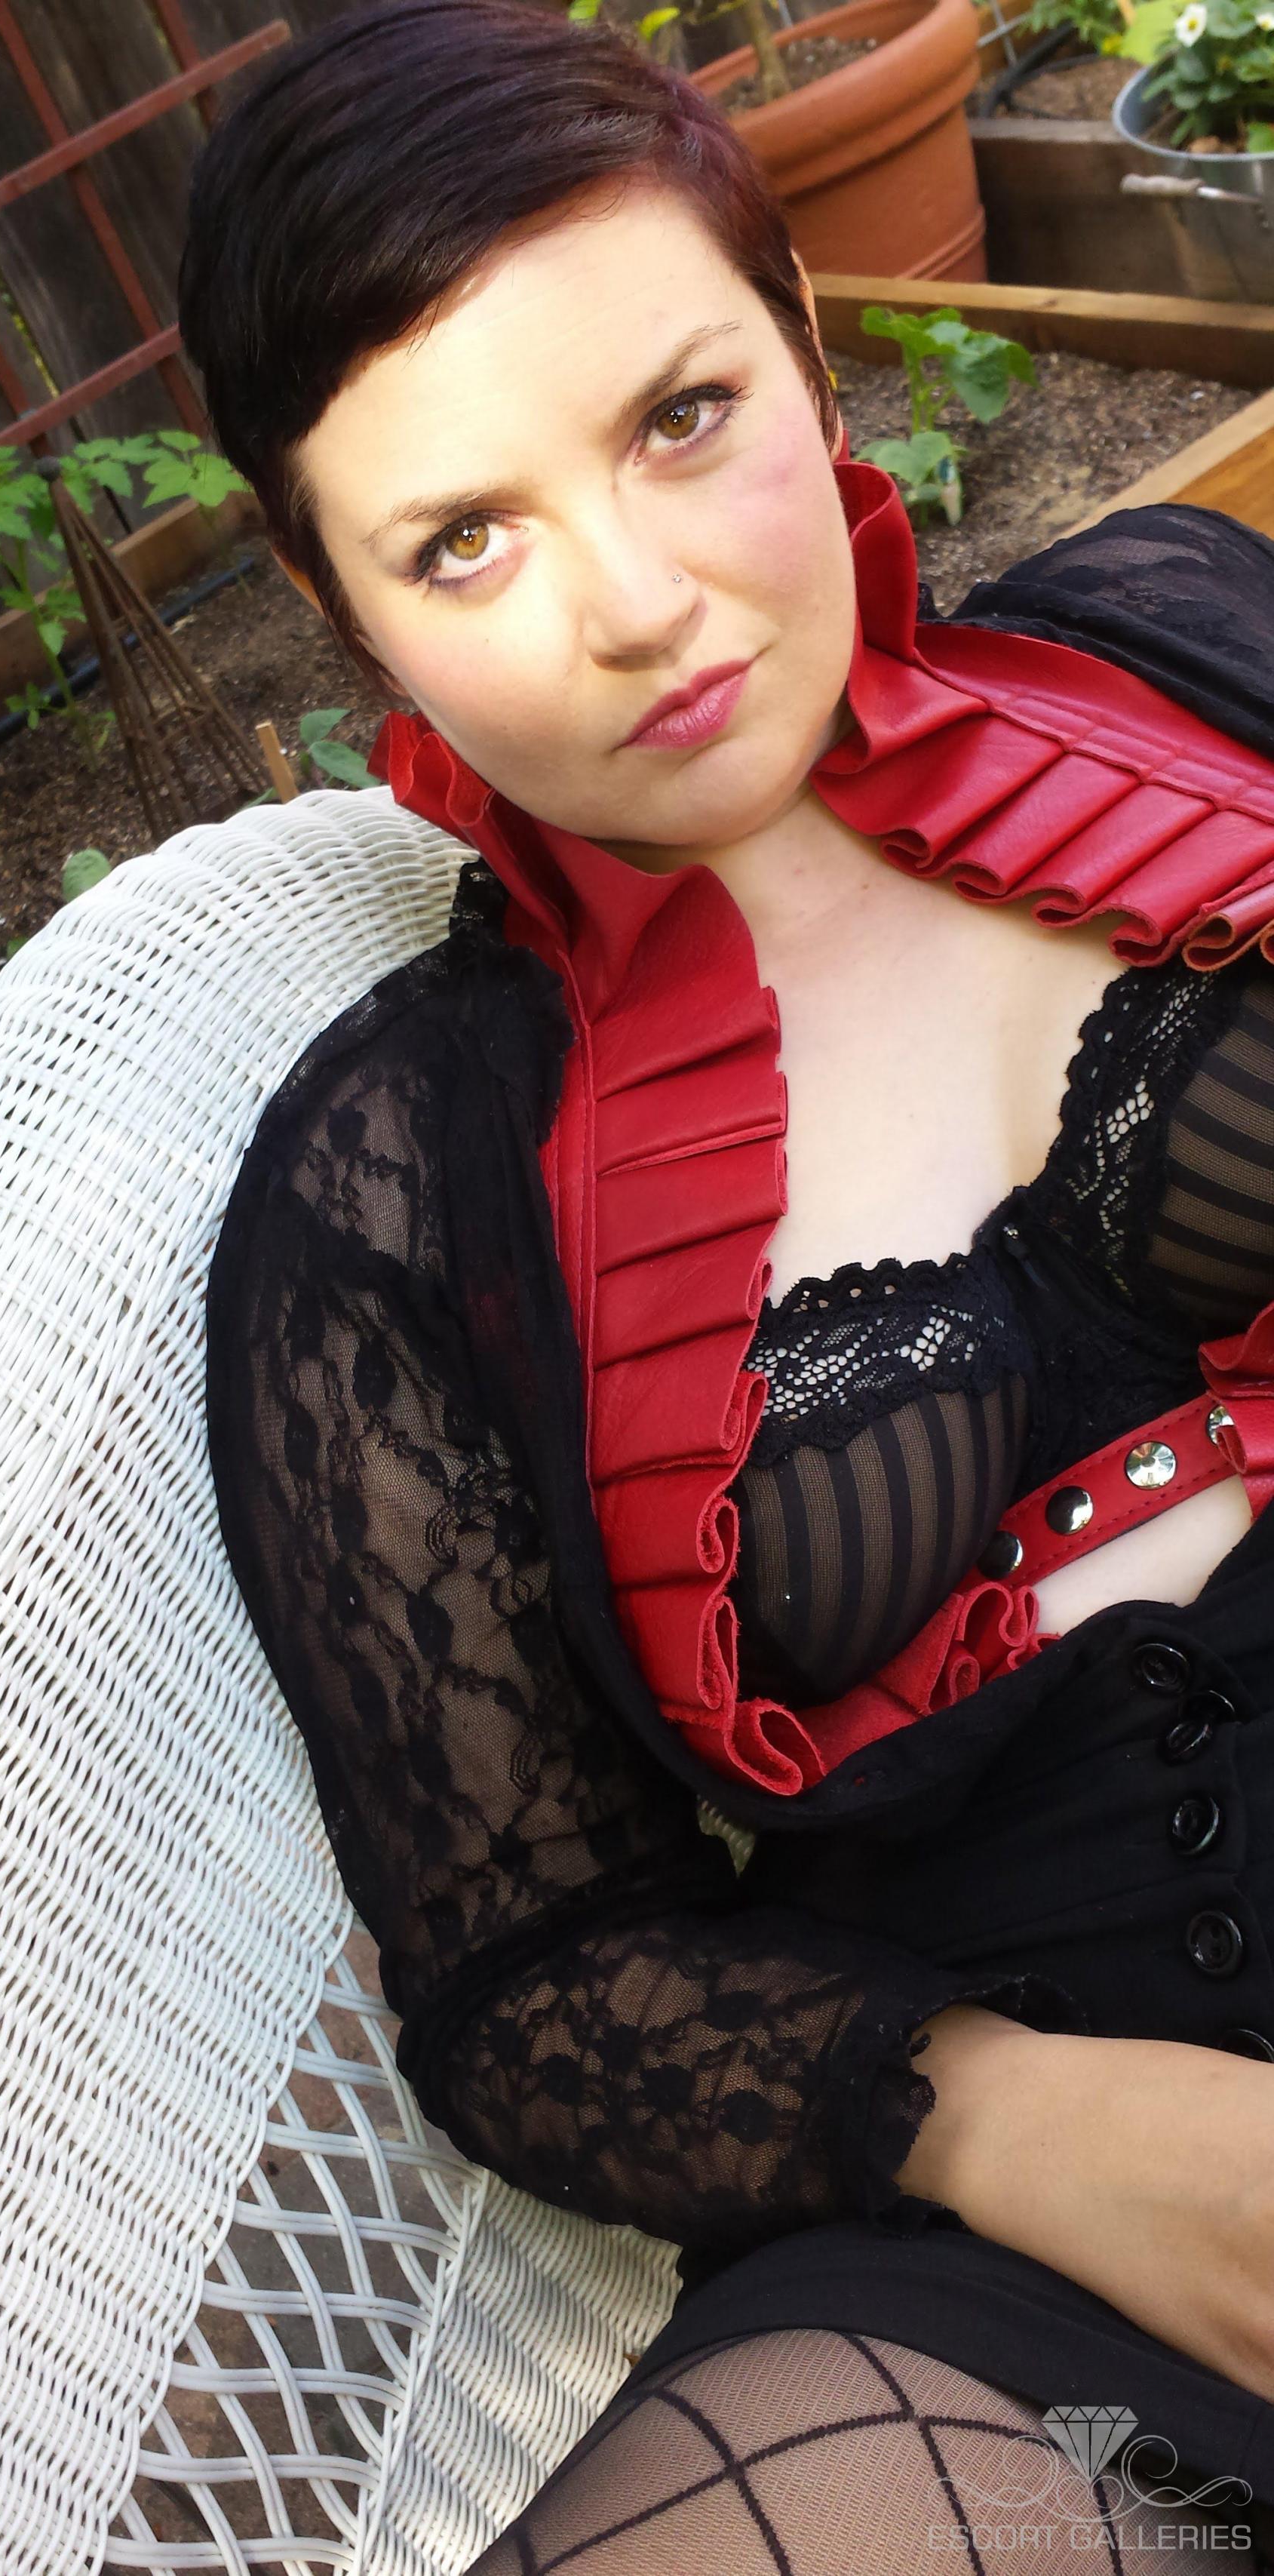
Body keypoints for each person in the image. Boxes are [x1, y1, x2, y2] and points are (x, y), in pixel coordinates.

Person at [181, 3, 1274, 2564]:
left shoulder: (1188, 650)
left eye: (681, 418)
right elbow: (535, 1968)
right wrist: (1022, 2125)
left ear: (800, 338)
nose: (639, 603)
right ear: (338, 603)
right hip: (1036, 2151)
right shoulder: (394, 1188)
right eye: (464, 541)